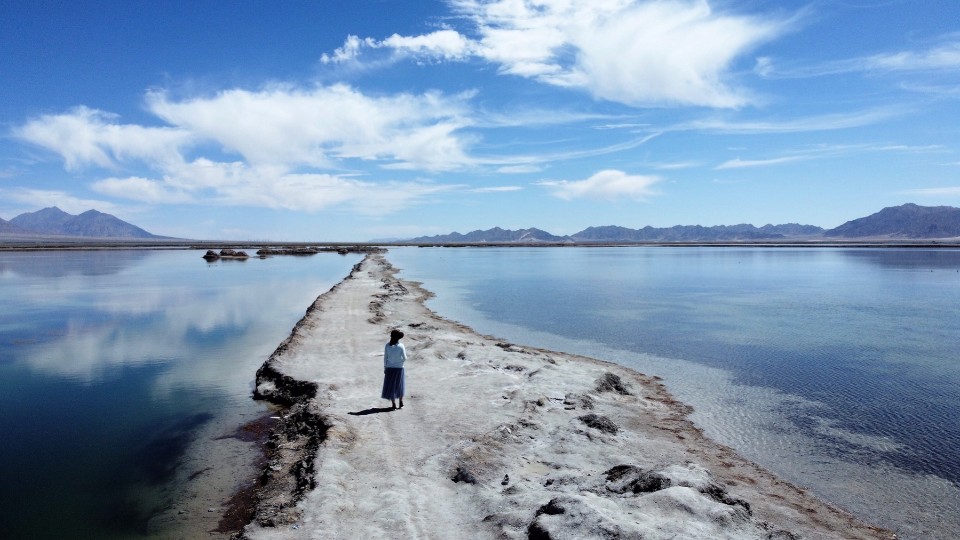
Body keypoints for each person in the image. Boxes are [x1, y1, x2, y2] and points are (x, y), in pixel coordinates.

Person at [382, 329, 406, 409]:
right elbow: (405, 358)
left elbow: (385, 358)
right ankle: (401, 401)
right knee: (400, 385)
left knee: (391, 386)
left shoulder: (387, 346)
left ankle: (393, 404)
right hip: (399, 368)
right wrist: (400, 362)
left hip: (389, 368)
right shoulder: (401, 346)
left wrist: (385, 367)